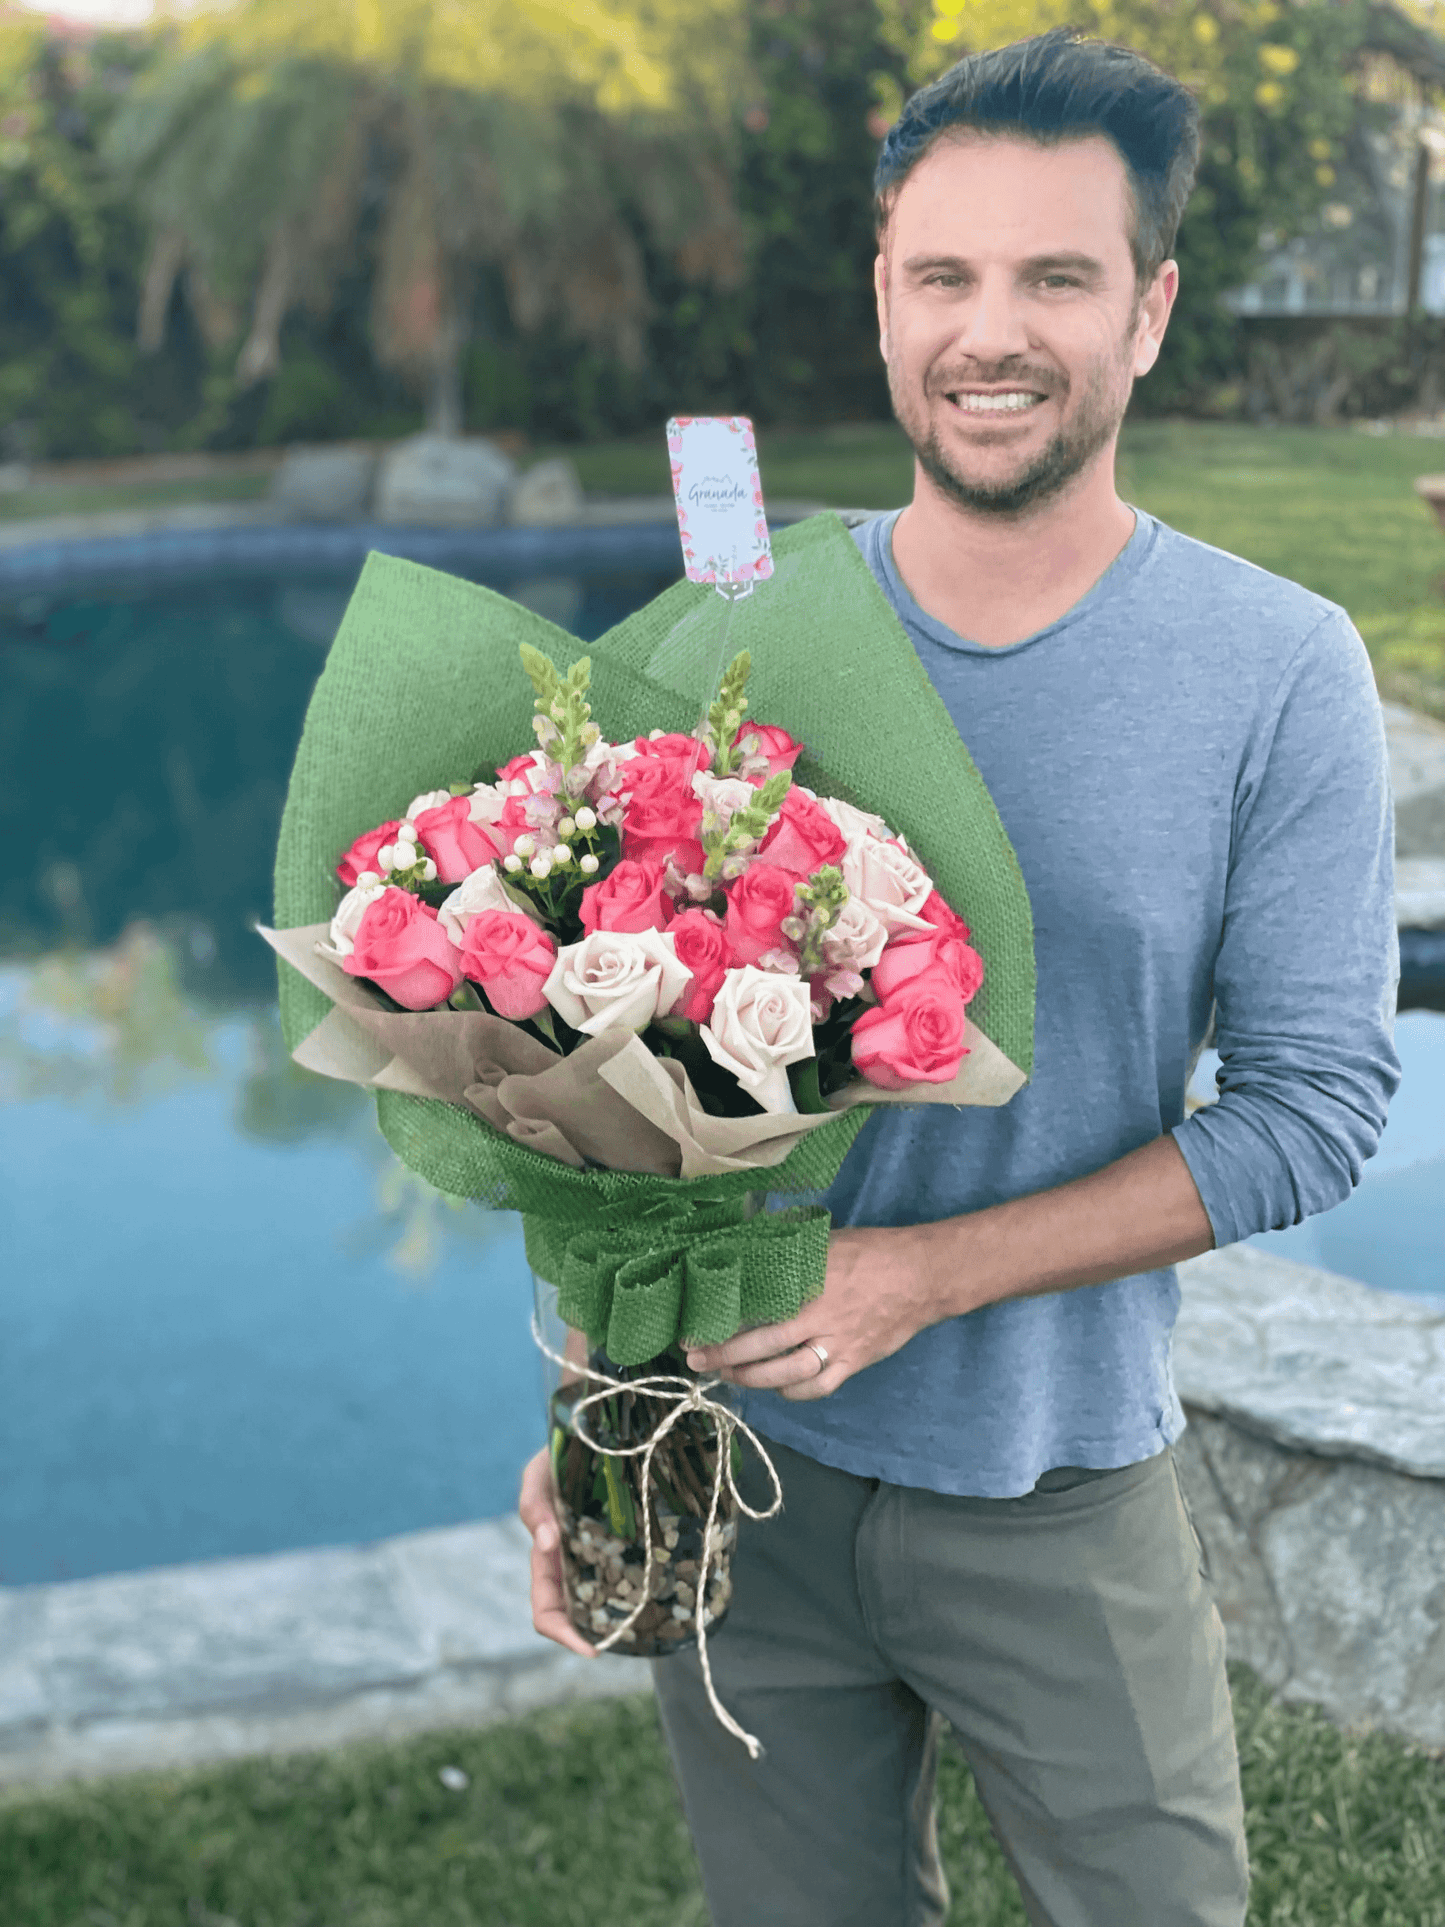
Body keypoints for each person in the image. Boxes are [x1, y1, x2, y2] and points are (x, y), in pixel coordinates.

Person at [519, 28, 1400, 1926]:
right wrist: (597, 1394)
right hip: (737, 1463)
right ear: (885, 300)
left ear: (1148, 312)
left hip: (1056, 1481)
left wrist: (923, 1275)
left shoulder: (1277, 668)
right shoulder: (732, 638)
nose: (990, 331)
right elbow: (587, 1061)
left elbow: (1318, 1110)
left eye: (1055, 278)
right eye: (947, 276)